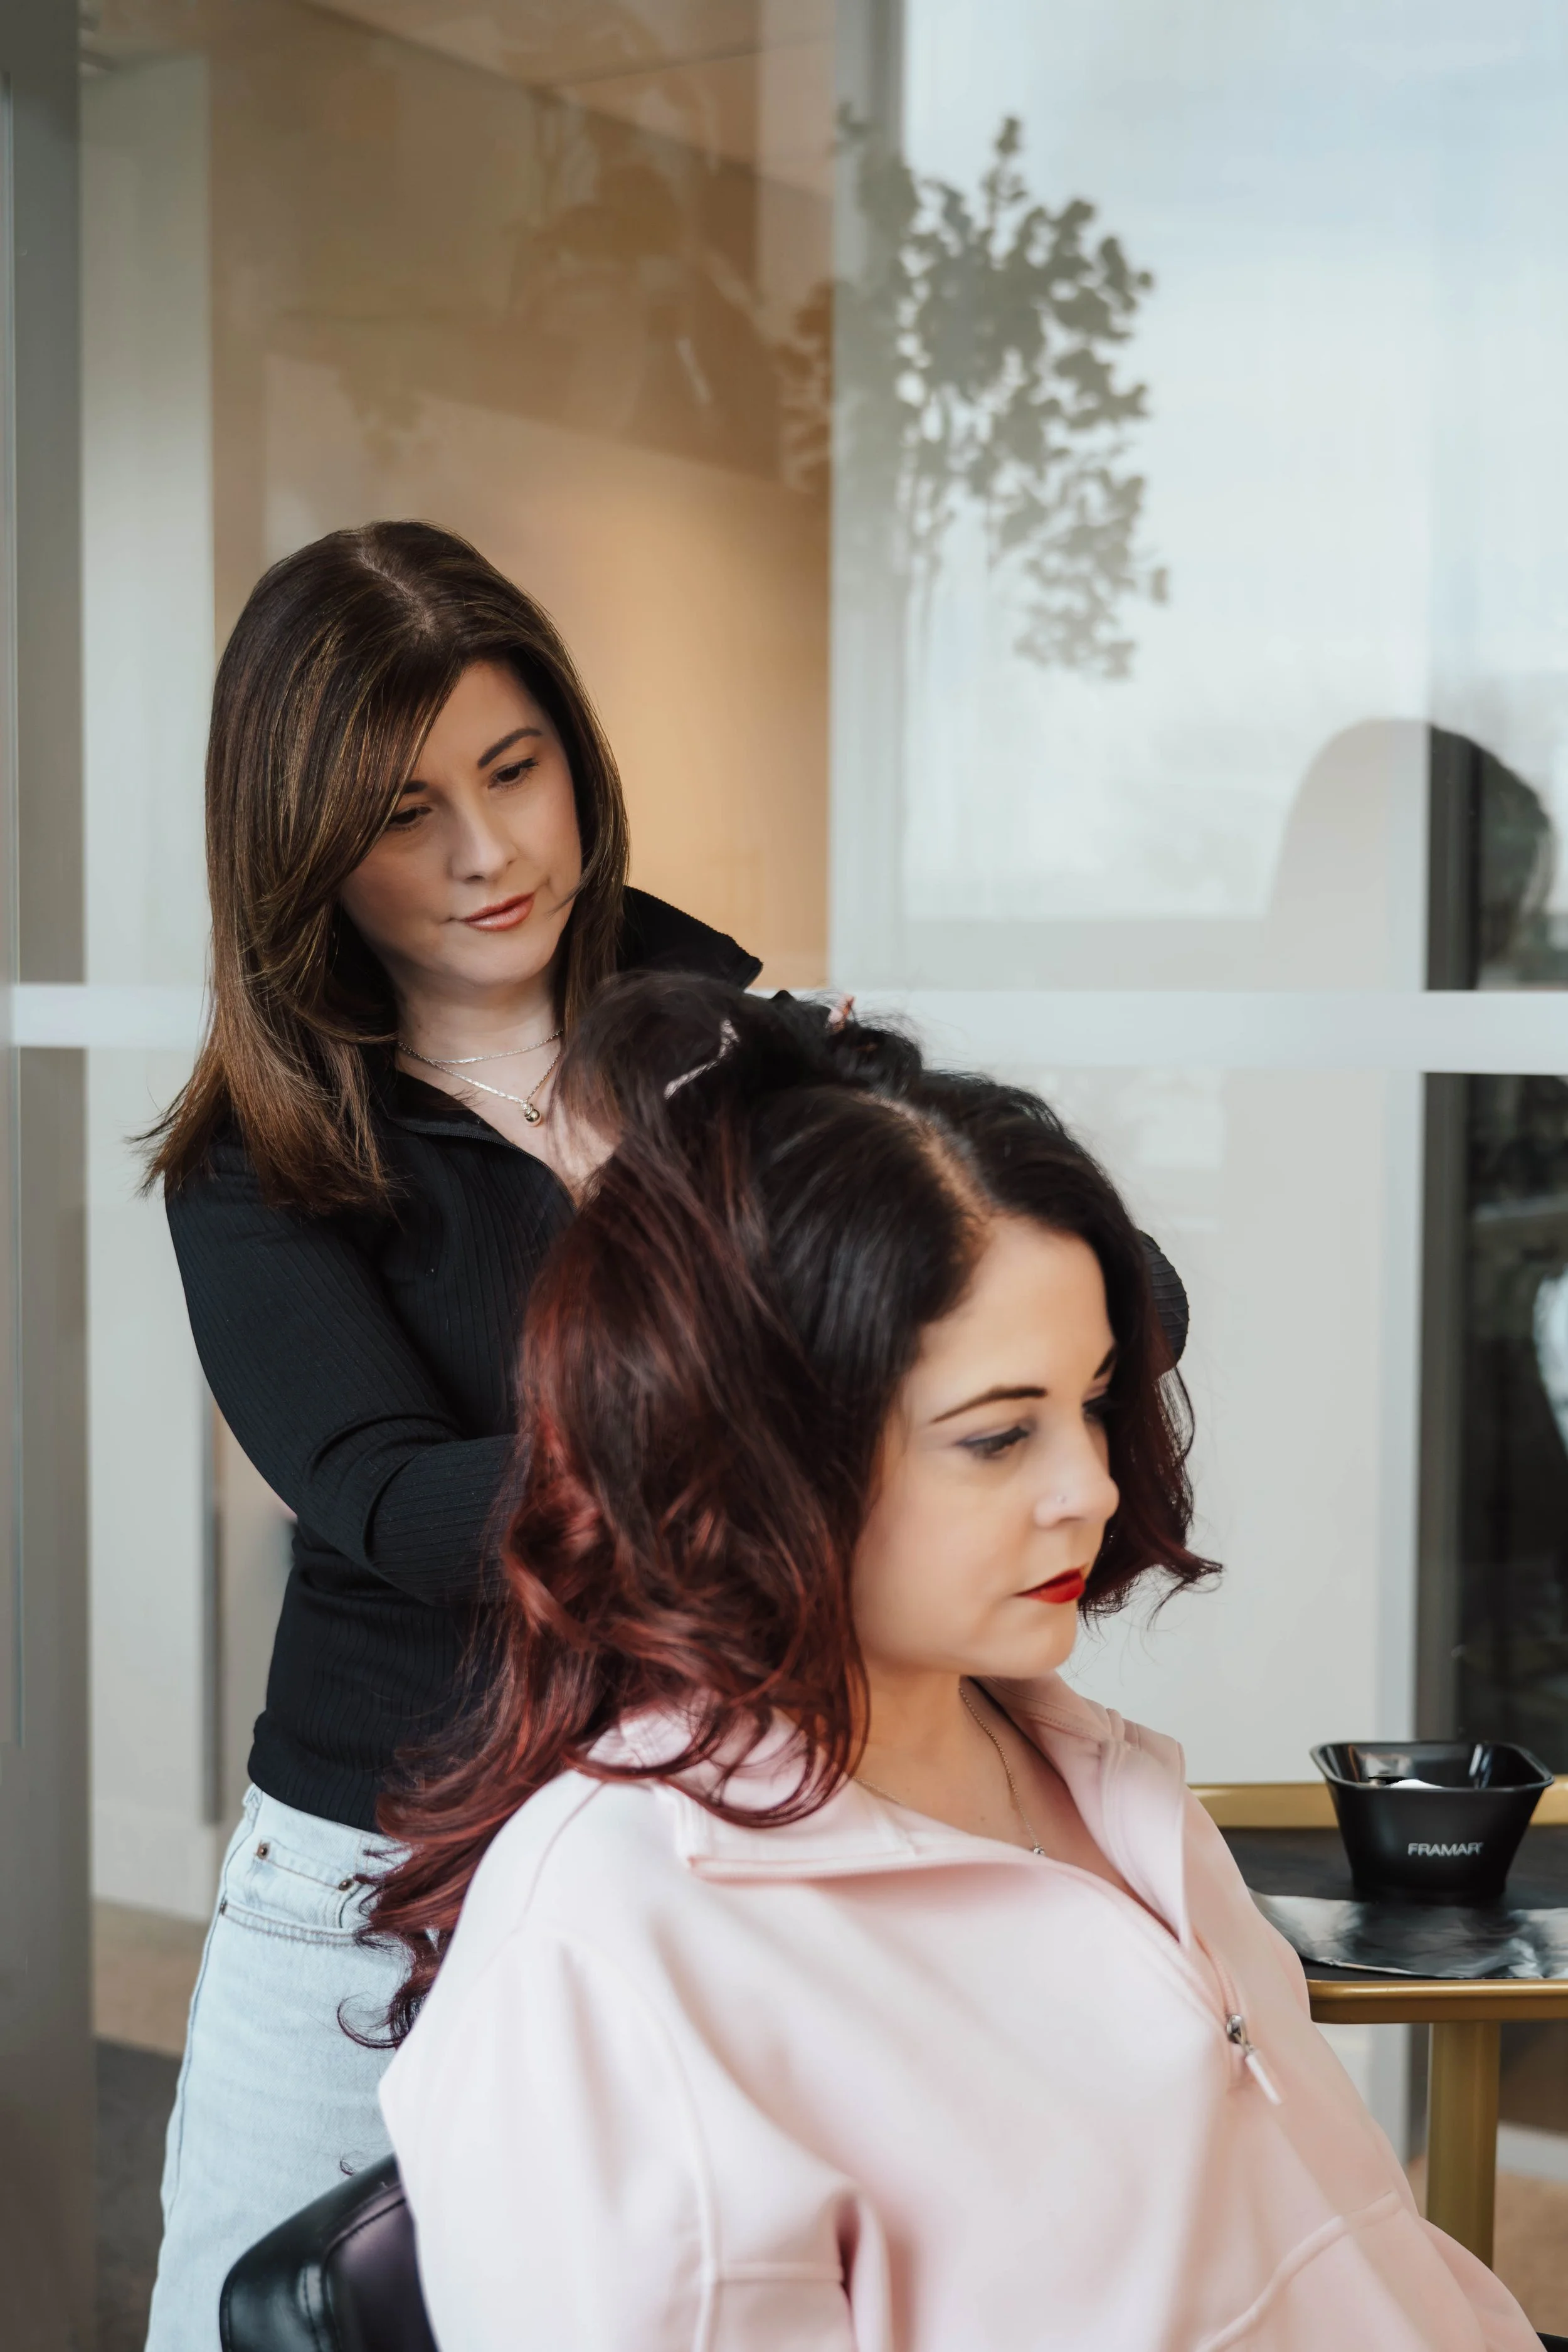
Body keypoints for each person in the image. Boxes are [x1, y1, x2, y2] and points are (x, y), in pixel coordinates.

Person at [373, 975, 1537, 2352]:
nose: (1091, 1492)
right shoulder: (614, 1950)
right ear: (750, 1451)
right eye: (997, 1436)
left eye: (1092, 1405)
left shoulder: (1091, 1775)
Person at [142, 523, 760, 2352]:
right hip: (371, 1872)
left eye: (515, 767)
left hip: (707, 1826)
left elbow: (1072, 1303)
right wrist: (769, 1436)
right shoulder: (259, 1159)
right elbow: (393, 1498)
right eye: (406, 813)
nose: (489, 853)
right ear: (304, 851)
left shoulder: (744, 1056)